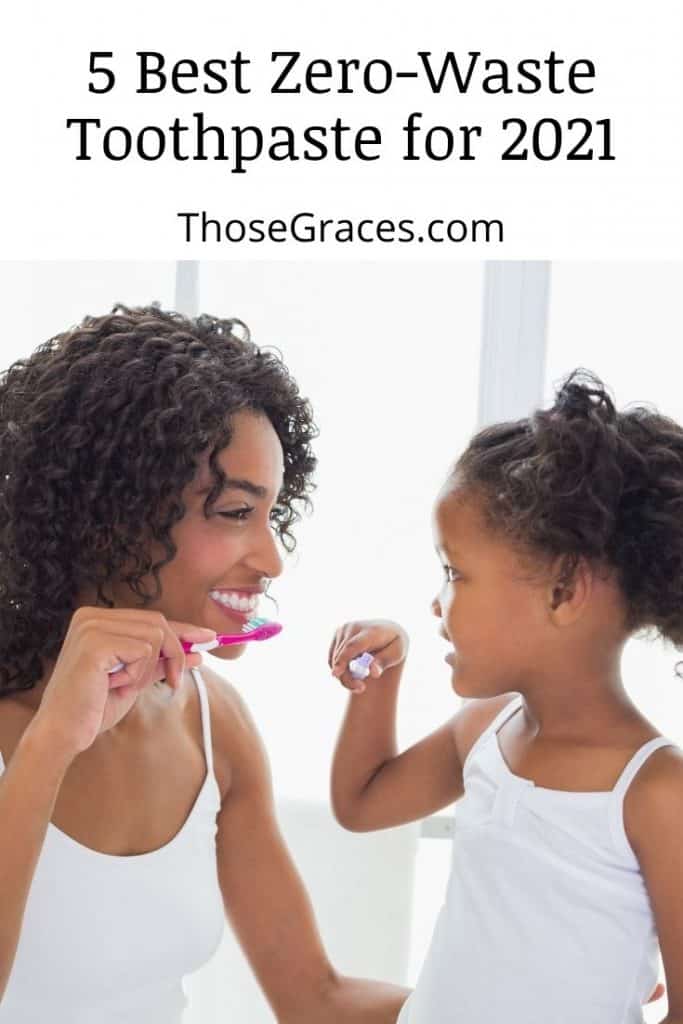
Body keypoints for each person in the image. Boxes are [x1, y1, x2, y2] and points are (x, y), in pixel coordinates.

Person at [0, 305, 408, 1023]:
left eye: (272, 514)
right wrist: (49, 748)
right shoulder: (23, 734)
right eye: (232, 512)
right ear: (113, 515)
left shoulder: (213, 720)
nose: (273, 558)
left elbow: (317, 1000)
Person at [329, 371, 681, 1023]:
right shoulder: (486, 727)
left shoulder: (656, 792)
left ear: (562, 590)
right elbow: (362, 803)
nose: (436, 603)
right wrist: (378, 681)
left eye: (455, 572)